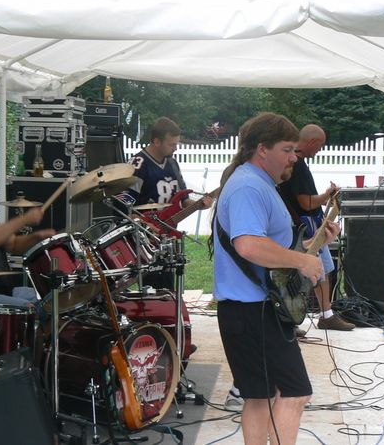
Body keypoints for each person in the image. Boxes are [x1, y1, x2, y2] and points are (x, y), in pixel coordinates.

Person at [211, 112, 340, 444]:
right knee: (294, 393)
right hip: (255, 311)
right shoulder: (248, 186)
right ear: (262, 149)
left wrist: (315, 244)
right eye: (287, 149)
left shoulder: (256, 183)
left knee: (261, 397)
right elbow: (249, 245)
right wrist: (302, 260)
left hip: (251, 309)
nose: (294, 157)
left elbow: (273, 249)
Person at [277, 124, 354, 331]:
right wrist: (327, 194)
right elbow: (307, 203)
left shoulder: (292, 163)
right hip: (305, 228)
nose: (320, 150)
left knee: (318, 270)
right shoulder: (299, 166)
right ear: (312, 142)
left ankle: (305, 316)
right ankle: (322, 315)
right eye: (320, 145)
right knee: (317, 270)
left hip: (299, 226)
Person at [122, 116, 212, 289]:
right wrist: (144, 225)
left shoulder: (172, 163)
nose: (176, 148)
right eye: (172, 144)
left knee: (168, 287)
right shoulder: (139, 164)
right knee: (152, 288)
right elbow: (125, 204)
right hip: (147, 237)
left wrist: (200, 205)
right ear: (156, 141)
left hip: (168, 236)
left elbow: (183, 199)